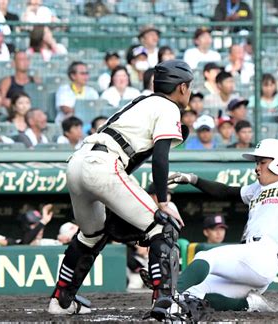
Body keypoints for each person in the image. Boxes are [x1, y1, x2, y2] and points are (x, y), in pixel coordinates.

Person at [162, 102, 278, 319]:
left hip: (263, 253)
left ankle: (167, 295)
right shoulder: (256, 189)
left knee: (207, 257)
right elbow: (225, 191)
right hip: (249, 260)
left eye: (262, 162)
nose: (257, 167)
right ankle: (250, 303)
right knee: (195, 293)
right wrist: (192, 179)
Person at [47, 60, 195, 320]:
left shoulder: (140, 101)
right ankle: (166, 302)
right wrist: (163, 202)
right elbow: (161, 158)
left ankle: (61, 301)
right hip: (103, 164)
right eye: (189, 87)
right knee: (164, 226)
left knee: (91, 235)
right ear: (181, 87)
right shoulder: (169, 107)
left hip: (78, 162)